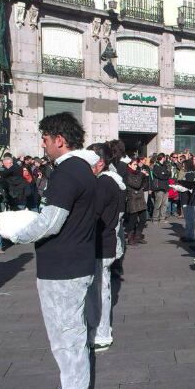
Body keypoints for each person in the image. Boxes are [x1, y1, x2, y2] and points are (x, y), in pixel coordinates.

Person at [0, 112, 98, 389]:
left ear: (60, 140)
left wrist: (15, 232)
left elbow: (51, 222)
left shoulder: (66, 173)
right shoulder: (82, 171)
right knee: (70, 337)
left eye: (45, 139)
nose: (43, 145)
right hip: (73, 262)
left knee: (66, 339)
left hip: (63, 267)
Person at [85, 143, 123, 353]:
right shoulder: (108, 181)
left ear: (100, 162)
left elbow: (93, 213)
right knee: (100, 290)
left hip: (102, 243)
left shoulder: (104, 183)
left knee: (99, 291)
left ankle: (101, 333)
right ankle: (99, 331)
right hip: (104, 242)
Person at [125, 158, 148, 246]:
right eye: (134, 164)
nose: (136, 166)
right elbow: (137, 184)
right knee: (133, 221)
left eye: (136, 164)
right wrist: (142, 175)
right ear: (129, 165)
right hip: (133, 199)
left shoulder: (138, 173)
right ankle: (131, 239)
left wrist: (145, 176)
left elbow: (144, 185)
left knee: (143, 219)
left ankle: (137, 237)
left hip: (140, 198)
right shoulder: (127, 174)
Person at [151, 153, 171, 223]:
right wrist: (164, 174)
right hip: (159, 188)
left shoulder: (165, 165)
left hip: (165, 187)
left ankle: (162, 218)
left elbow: (169, 174)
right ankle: (155, 218)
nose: (165, 159)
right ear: (163, 158)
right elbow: (159, 176)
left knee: (164, 204)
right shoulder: (156, 166)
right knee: (158, 204)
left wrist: (164, 174)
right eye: (165, 157)